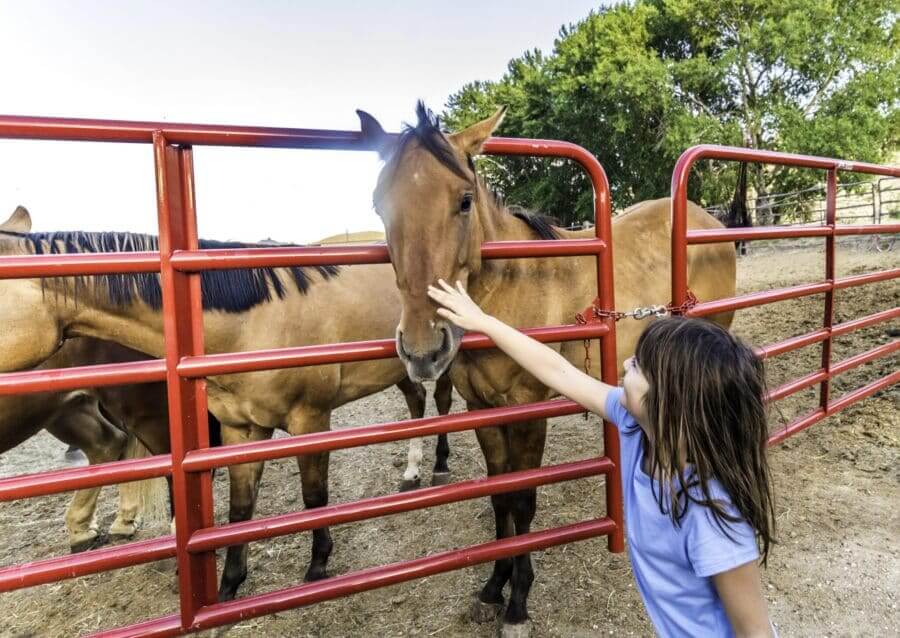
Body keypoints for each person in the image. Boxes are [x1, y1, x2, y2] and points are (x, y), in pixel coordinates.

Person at [428, 279, 776, 637]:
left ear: (670, 405)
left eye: (640, 366)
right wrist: (484, 322)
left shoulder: (713, 516)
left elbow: (755, 632)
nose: (627, 361)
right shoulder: (634, 424)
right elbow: (557, 370)